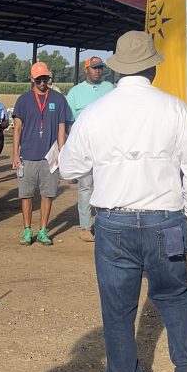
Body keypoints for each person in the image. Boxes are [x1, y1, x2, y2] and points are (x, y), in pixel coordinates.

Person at [58, 31, 187, 372]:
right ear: (152, 69)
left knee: (118, 310)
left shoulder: (96, 112)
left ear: (117, 69)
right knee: (176, 298)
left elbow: (69, 168)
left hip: (114, 222)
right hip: (166, 219)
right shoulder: (175, 109)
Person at [10, 62, 71, 244]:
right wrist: (15, 154)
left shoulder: (58, 99)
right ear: (32, 79)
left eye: (45, 78)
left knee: (48, 194)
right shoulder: (23, 100)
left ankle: (43, 230)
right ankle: (27, 230)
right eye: (39, 79)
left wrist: (61, 153)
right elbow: (17, 129)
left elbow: (62, 127)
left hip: (49, 157)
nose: (43, 82)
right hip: (28, 156)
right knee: (26, 195)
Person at [66, 56, 116, 239]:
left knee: (107, 185)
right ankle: (85, 227)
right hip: (85, 148)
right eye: (94, 68)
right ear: (86, 69)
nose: (98, 71)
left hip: (107, 147)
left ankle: (106, 224)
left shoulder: (109, 89)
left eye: (100, 68)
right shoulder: (75, 93)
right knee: (86, 187)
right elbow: (69, 122)